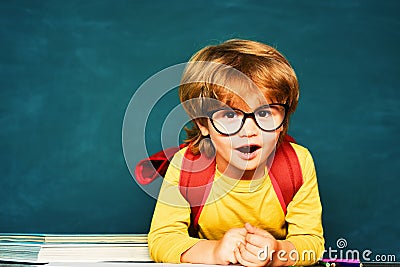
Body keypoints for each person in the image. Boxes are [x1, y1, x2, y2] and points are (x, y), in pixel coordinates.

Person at [147, 39, 324, 266]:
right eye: (229, 116)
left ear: (283, 120)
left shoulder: (298, 164)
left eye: (265, 113)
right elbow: (163, 239)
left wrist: (277, 253)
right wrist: (214, 252)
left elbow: (311, 243)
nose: (249, 131)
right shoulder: (186, 167)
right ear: (203, 123)